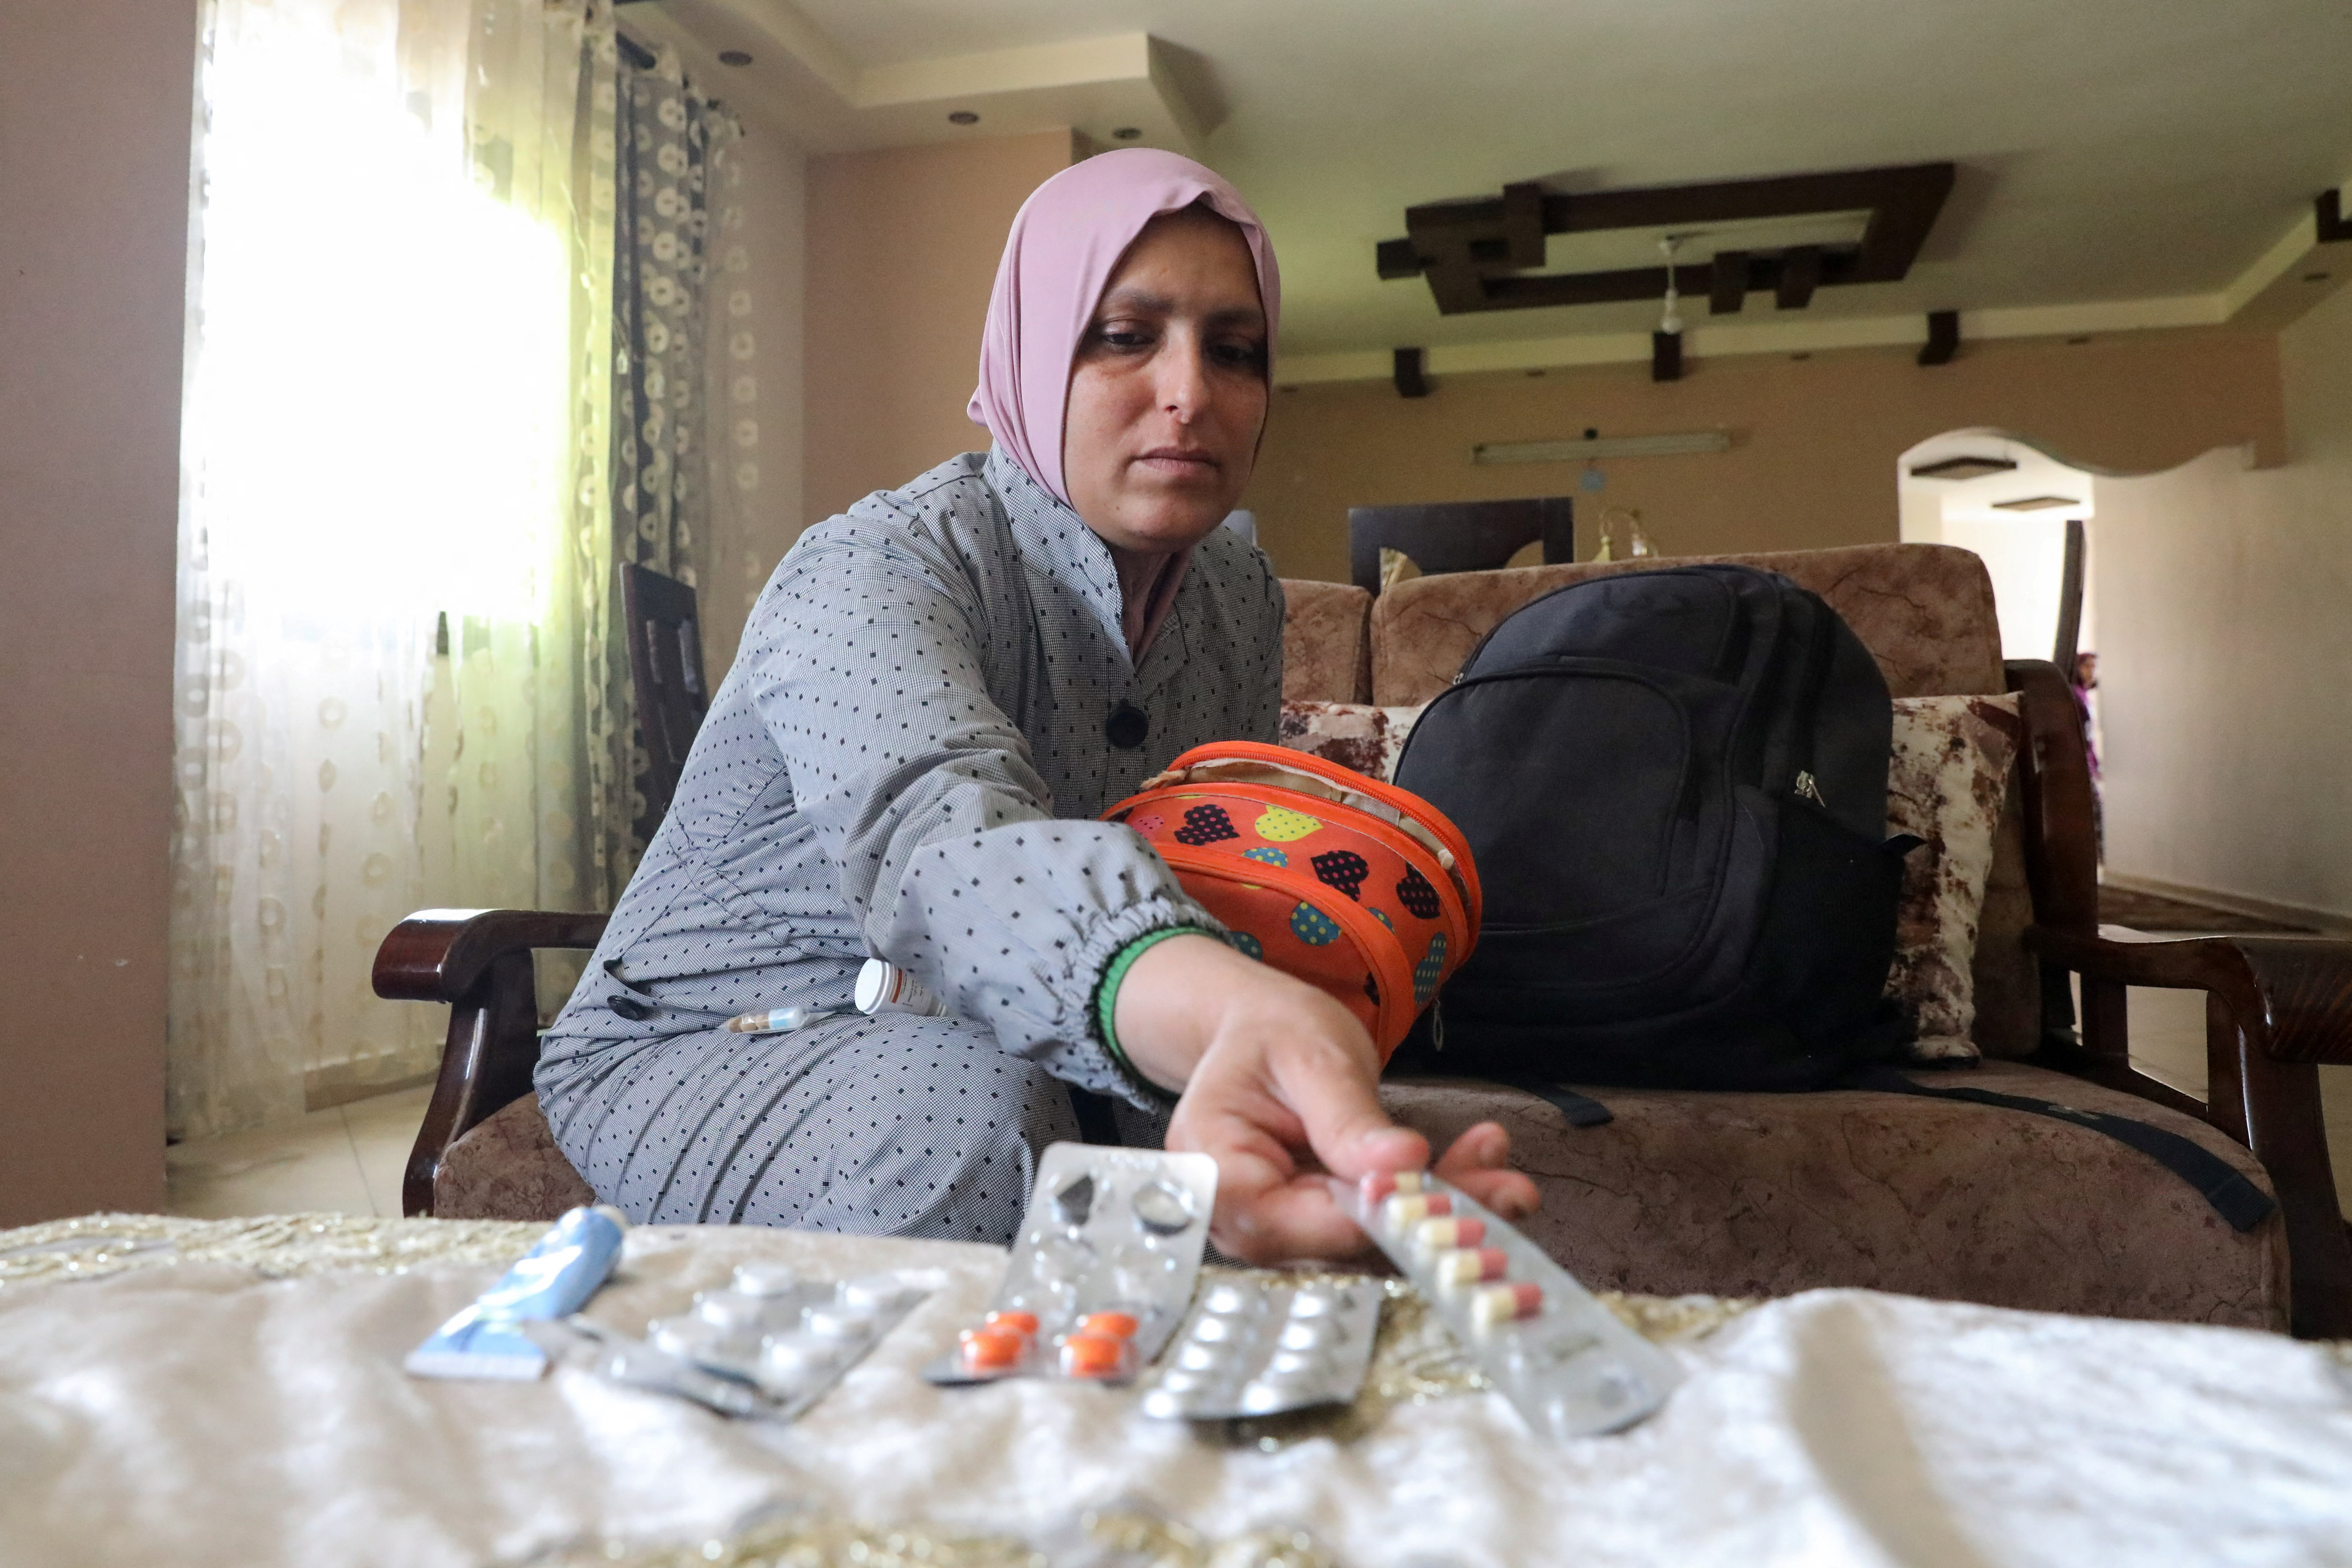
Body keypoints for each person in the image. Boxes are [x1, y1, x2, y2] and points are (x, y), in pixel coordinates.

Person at [535, 149, 1536, 1262]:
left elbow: (1207, 855)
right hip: (714, 1037)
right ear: (1027, 350)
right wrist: (1218, 1013)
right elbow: (944, 840)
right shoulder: (876, 563)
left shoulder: (1234, 595)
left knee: (1213, 1160)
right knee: (963, 1111)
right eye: (1124, 335)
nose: (1189, 392)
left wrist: (1261, 1103)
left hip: (1020, 1024)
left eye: (1236, 350)